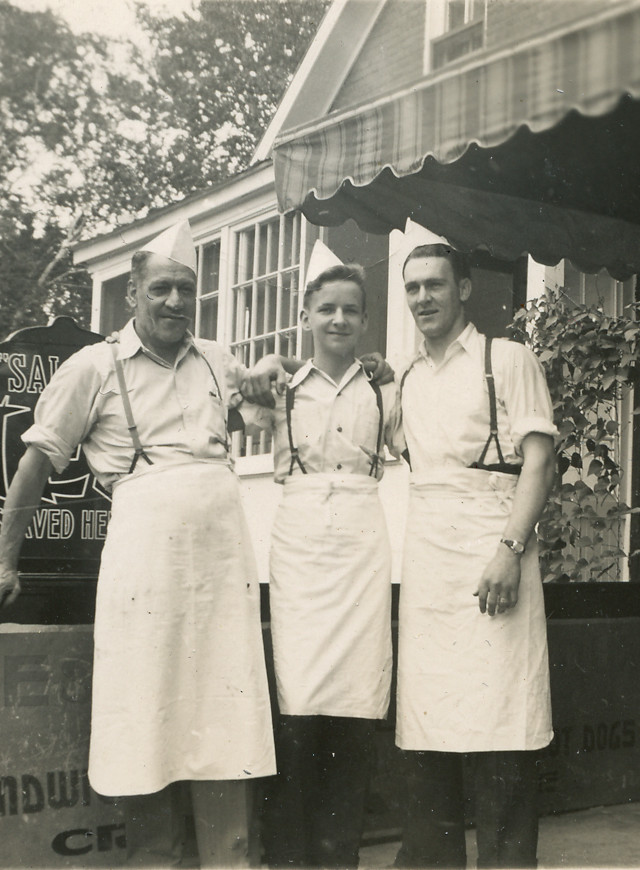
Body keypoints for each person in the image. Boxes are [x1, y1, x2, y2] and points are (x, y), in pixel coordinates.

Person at [0, 219, 276, 868]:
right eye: (161, 289)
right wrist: (4, 562)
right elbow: (34, 465)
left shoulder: (219, 361)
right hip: (145, 573)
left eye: (186, 291)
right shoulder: (94, 368)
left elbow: (270, 416)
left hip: (223, 570)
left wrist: (273, 381)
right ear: (132, 292)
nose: (174, 303)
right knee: (148, 731)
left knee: (227, 726)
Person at [389, 221, 558, 869]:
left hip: (495, 561)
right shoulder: (406, 380)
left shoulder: (506, 359)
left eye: (434, 284)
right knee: (430, 738)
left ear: (464, 287)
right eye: (411, 289)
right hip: (429, 572)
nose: (422, 298)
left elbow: (538, 464)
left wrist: (509, 550)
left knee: (502, 735)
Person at [242, 241, 400, 868]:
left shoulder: (386, 390)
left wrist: (387, 370)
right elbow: (223, 399)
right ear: (307, 315)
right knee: (297, 701)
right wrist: (261, 362)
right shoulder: (279, 388)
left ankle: (340, 858)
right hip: (301, 544)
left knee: (357, 703)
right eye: (327, 309)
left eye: (352, 311)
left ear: (365, 321)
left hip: (361, 543)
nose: (339, 320)